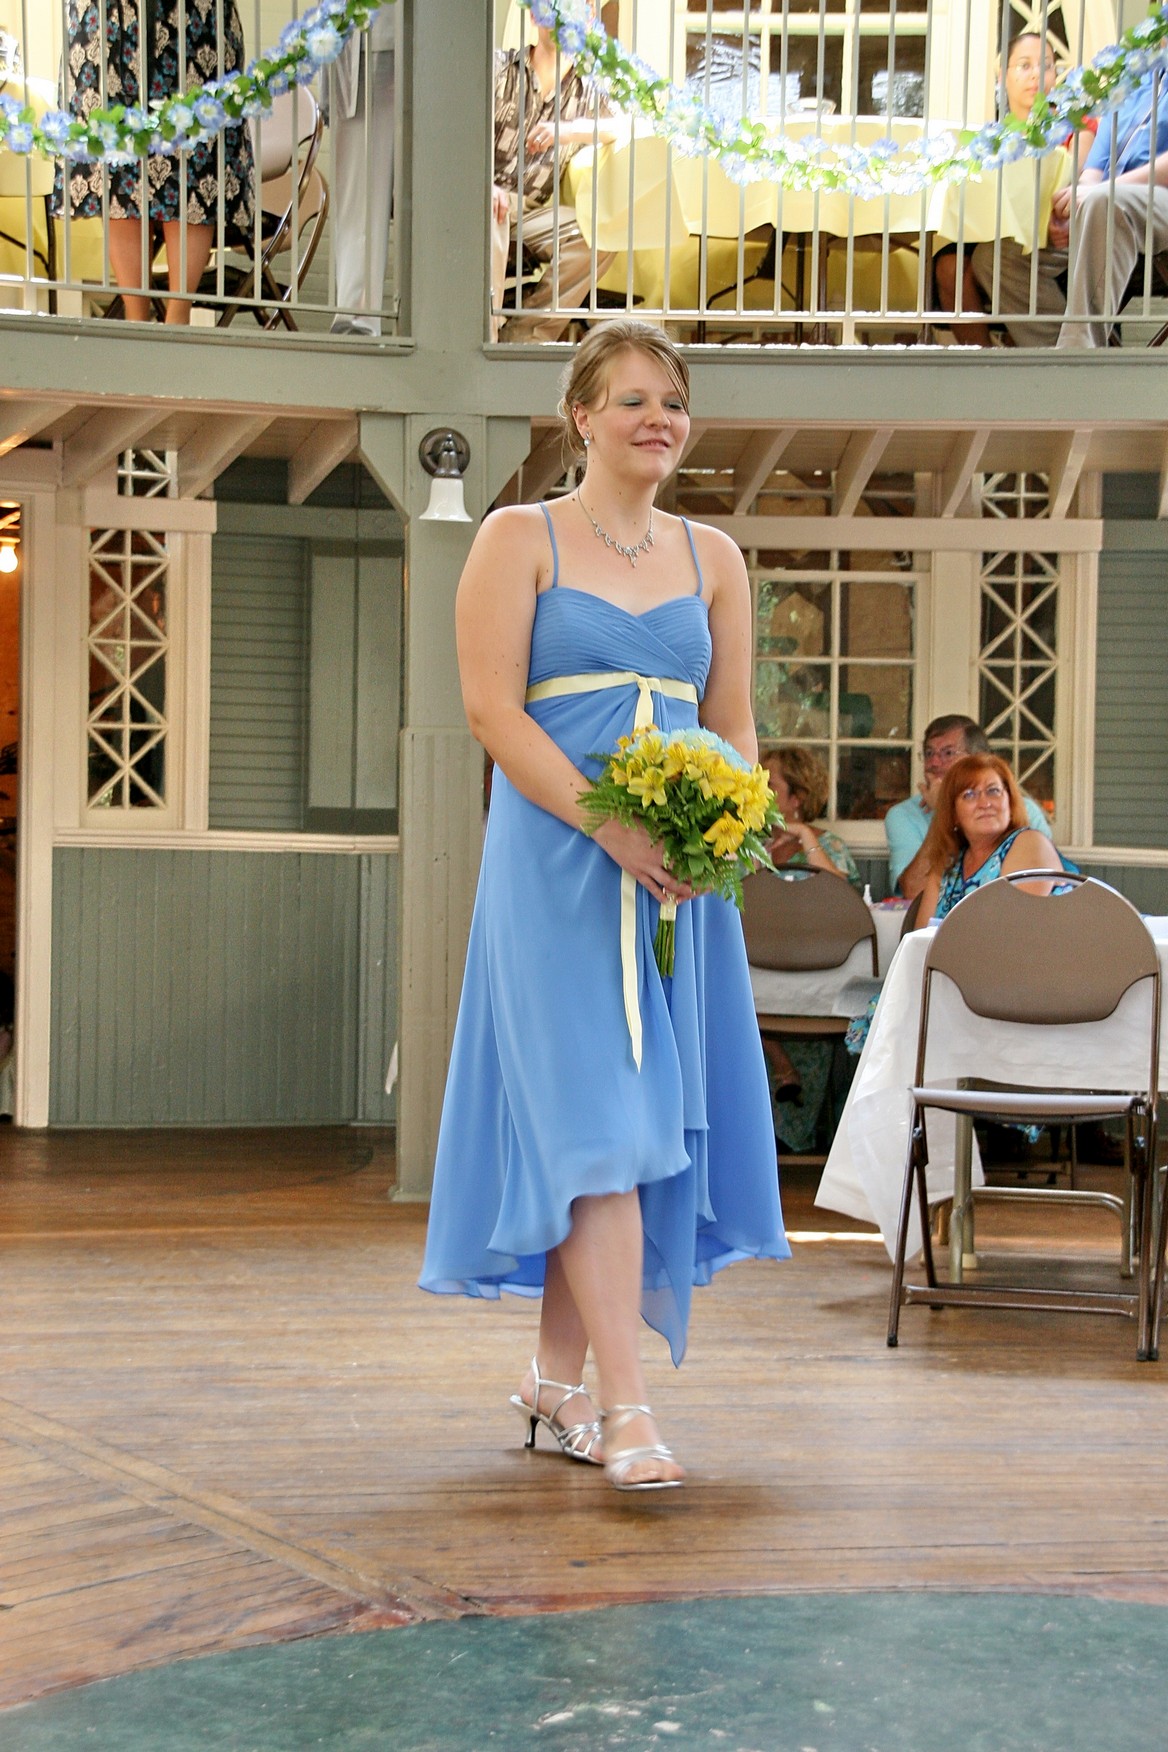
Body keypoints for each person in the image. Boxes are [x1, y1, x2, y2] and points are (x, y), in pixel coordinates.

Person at [419, 320, 789, 1492]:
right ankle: (628, 1410)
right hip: (556, 869)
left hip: (676, 879)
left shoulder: (712, 556)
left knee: (626, 1128)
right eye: (631, 399)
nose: (657, 420)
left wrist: (723, 826)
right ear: (580, 415)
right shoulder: (516, 537)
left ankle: (554, 1383)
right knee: (599, 1128)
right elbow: (492, 712)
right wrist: (607, 824)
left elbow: (731, 722)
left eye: (671, 401)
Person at [53, 0, 255, 325]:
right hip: (107, 23)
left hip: (194, 21)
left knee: (194, 165)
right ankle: (137, 324)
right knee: (118, 172)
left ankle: (178, 320)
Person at [491, 17, 619, 341]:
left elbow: (622, 125)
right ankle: (484, 339)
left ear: (589, 17)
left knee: (600, 235)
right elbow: (456, 127)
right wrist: (482, 186)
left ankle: (522, 338)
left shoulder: (591, 87)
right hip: (480, 198)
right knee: (492, 214)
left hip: (531, 211)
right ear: (535, 15)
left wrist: (568, 131)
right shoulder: (499, 69)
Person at [760, 747, 860, 1156]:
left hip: (817, 975)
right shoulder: (747, 842)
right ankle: (780, 1066)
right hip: (759, 972)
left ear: (797, 796)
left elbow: (844, 899)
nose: (757, 788)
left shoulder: (828, 844)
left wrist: (804, 838)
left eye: (768, 783)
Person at [937, 34, 1059, 345]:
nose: (1035, 75)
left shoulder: (1070, 125)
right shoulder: (989, 139)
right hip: (995, 229)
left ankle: (1047, 348)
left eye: (1045, 66)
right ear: (1003, 75)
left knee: (992, 259)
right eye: (1024, 66)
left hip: (1051, 230)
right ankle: (985, 363)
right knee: (949, 266)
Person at [1055, 66, 1168, 348]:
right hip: (1109, 199)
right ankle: (1041, 356)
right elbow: (1097, 162)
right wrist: (1078, 198)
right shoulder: (1137, 74)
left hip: (1152, 196)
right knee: (1006, 258)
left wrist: (1100, 191)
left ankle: (1074, 356)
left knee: (1104, 202)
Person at [885, 715, 1052, 900]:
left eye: (948, 753)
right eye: (929, 753)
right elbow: (913, 892)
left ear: (978, 759)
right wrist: (943, 812)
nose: (934, 763)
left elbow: (1041, 890)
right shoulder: (903, 815)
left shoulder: (1024, 810)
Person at [328, 3, 395, 336]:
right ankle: (357, 322)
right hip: (361, 41)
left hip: (433, 41)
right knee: (359, 196)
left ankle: (438, 326)